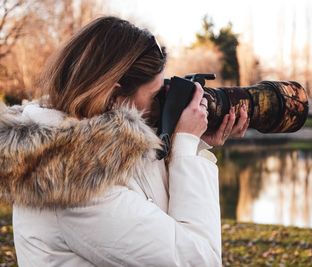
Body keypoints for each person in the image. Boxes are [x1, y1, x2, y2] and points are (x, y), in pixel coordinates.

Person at [0, 16, 249, 266]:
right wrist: (185, 145)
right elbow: (199, 260)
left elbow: (153, 208)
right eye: (154, 95)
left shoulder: (95, 147)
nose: (157, 106)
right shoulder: (74, 182)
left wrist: (193, 143)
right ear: (113, 94)